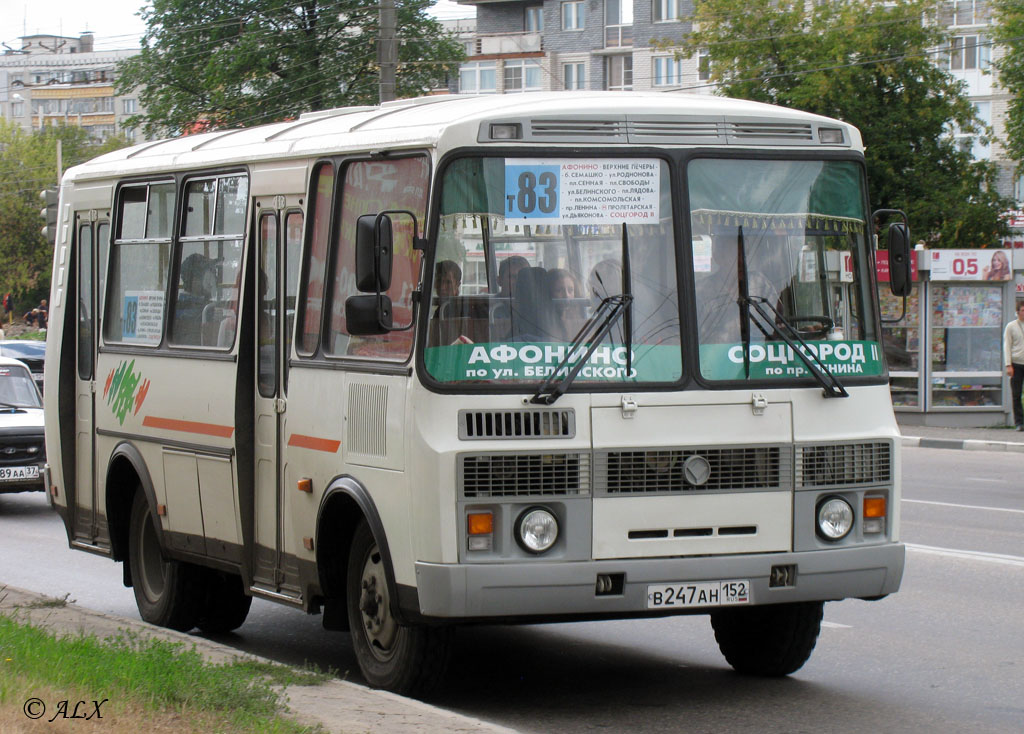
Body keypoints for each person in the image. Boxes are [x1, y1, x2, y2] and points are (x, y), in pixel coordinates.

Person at [1003, 301, 1024, 430]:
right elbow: (1007, 346)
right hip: (1016, 364)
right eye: (1022, 310)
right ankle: (1019, 422)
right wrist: (1008, 364)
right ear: (1018, 312)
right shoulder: (1011, 326)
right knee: (1016, 394)